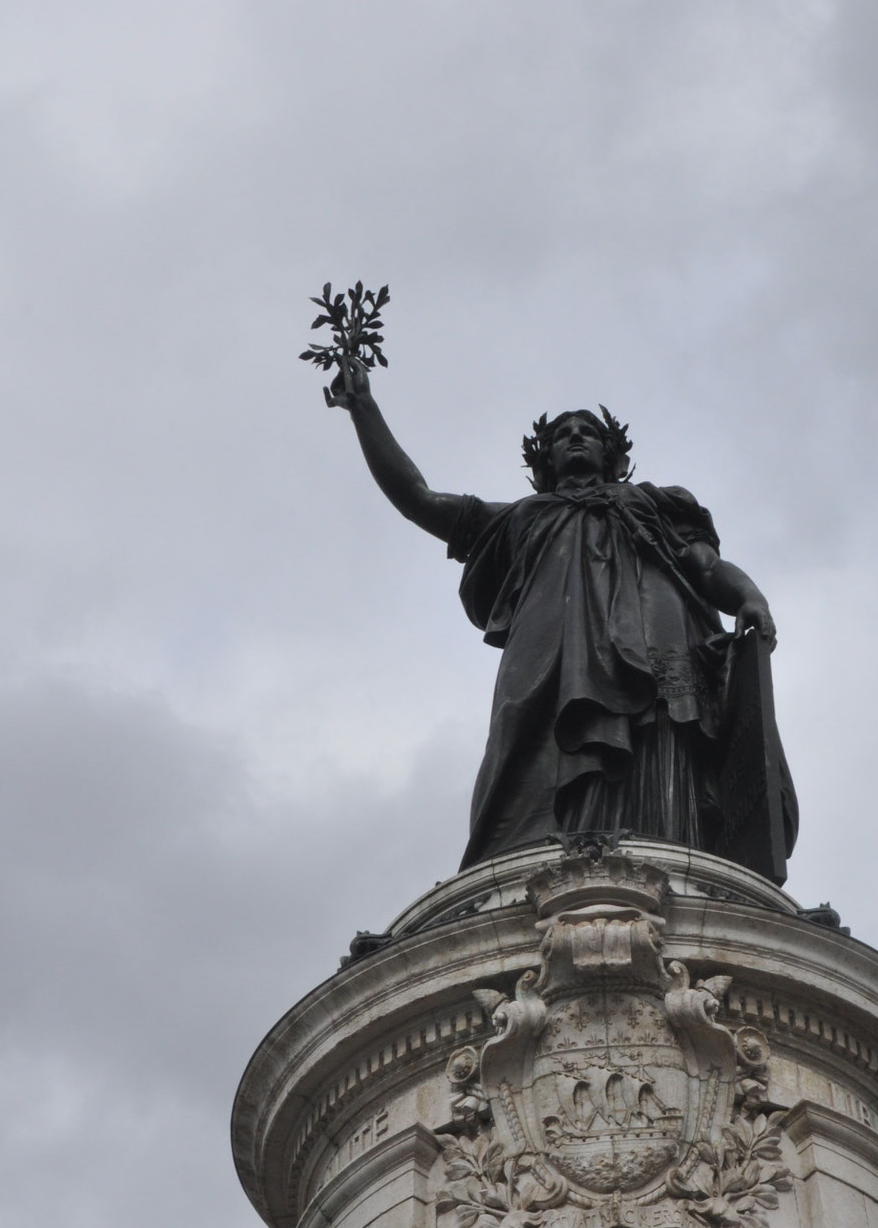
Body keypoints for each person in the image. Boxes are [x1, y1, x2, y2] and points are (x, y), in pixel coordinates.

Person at [326, 370, 798, 880]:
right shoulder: (520, 517)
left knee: (660, 741)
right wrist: (364, 409)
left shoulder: (655, 503)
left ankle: (668, 860)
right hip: (548, 654)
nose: (576, 436)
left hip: (656, 640)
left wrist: (748, 595)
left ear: (612, 455)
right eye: (563, 434)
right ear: (545, 460)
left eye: (588, 431)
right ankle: (522, 869)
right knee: (529, 747)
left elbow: (704, 566)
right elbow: (418, 498)